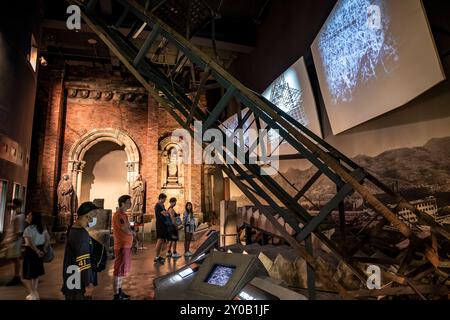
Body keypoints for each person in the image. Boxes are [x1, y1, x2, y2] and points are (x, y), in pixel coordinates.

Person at [61, 202, 98, 300]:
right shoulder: (81, 234)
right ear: (88, 215)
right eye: (94, 215)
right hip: (78, 281)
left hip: (72, 277)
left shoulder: (74, 229)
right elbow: (83, 260)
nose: (95, 218)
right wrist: (88, 283)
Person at [22, 212, 49, 300]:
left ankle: (33, 293)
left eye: (29, 215)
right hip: (40, 251)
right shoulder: (42, 228)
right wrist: (44, 249)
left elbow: (30, 243)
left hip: (30, 252)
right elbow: (47, 239)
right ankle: (35, 293)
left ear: (33, 218)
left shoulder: (28, 229)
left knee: (26, 275)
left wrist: (37, 251)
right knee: (35, 274)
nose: (27, 216)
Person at [112, 195, 134, 300]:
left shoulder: (124, 215)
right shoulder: (118, 215)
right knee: (118, 269)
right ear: (122, 203)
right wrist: (133, 233)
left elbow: (128, 228)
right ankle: (116, 295)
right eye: (129, 202)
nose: (130, 204)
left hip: (126, 245)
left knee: (122, 270)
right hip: (121, 245)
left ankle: (120, 291)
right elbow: (125, 229)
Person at [2, 199, 26, 286]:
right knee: (14, 259)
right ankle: (17, 276)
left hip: (14, 242)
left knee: (15, 259)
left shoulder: (19, 216)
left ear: (16, 205)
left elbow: (18, 232)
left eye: (13, 204)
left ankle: (17, 276)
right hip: (13, 240)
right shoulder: (18, 215)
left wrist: (10, 241)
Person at [154, 193, 170, 264]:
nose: (165, 200)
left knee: (162, 240)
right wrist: (168, 212)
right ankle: (156, 257)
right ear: (161, 198)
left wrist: (167, 213)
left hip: (164, 224)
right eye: (164, 199)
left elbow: (165, 213)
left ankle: (159, 256)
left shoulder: (162, 205)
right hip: (160, 224)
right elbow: (164, 213)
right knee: (160, 240)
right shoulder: (157, 206)